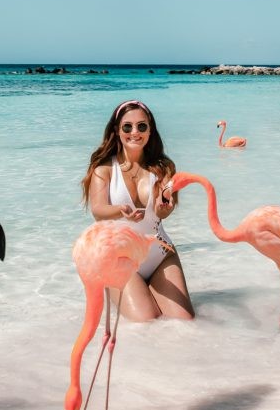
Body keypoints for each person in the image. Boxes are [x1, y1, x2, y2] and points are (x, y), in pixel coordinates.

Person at [81, 100, 195, 322]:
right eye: (127, 127)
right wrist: (119, 211)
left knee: (185, 322)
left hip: (159, 255)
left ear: (150, 130)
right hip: (118, 260)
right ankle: (127, 291)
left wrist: (164, 209)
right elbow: (97, 210)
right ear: (117, 130)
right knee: (146, 323)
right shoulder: (103, 169)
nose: (135, 132)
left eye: (142, 126)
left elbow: (162, 212)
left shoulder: (164, 168)